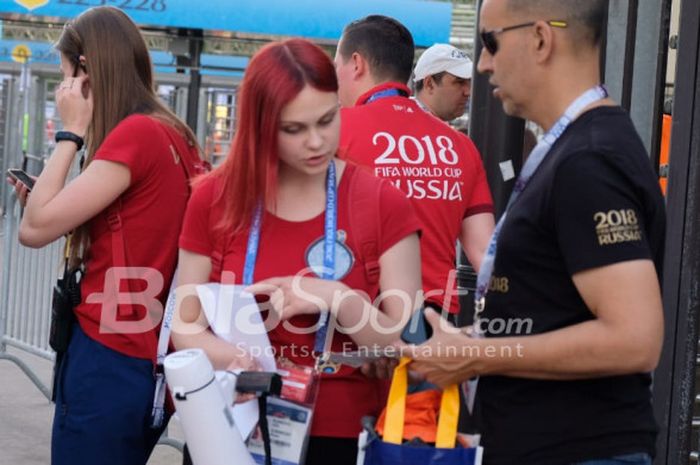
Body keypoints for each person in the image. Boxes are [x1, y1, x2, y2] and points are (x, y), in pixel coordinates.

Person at [400, 1, 665, 464]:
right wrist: (468, 345)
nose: (482, 65)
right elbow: (555, 313)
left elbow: (634, 339)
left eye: (490, 42)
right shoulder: (572, 150)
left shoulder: (589, 159)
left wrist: (479, 357)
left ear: (541, 38)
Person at [172, 38, 422, 465]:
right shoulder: (215, 197)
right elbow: (184, 323)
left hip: (341, 433)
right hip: (230, 423)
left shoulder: (382, 201)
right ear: (261, 126)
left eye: (327, 120)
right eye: (294, 129)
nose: (316, 141)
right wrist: (241, 361)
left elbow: (400, 341)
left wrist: (335, 297)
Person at [9, 7, 206, 465]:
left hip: (110, 354)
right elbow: (137, 224)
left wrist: (70, 131)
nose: (62, 90)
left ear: (86, 71)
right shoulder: (173, 132)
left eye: (65, 77)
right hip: (146, 351)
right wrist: (53, 207)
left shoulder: (135, 134)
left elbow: (33, 231)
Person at [334, 15, 495, 323]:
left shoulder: (334, 132)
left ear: (356, 64)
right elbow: (486, 254)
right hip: (435, 322)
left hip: (357, 317)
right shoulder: (459, 146)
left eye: (336, 66)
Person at [413, 43, 473, 122]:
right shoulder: (408, 125)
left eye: (469, 82)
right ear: (429, 84)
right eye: (460, 82)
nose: (468, 92)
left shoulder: (406, 120)